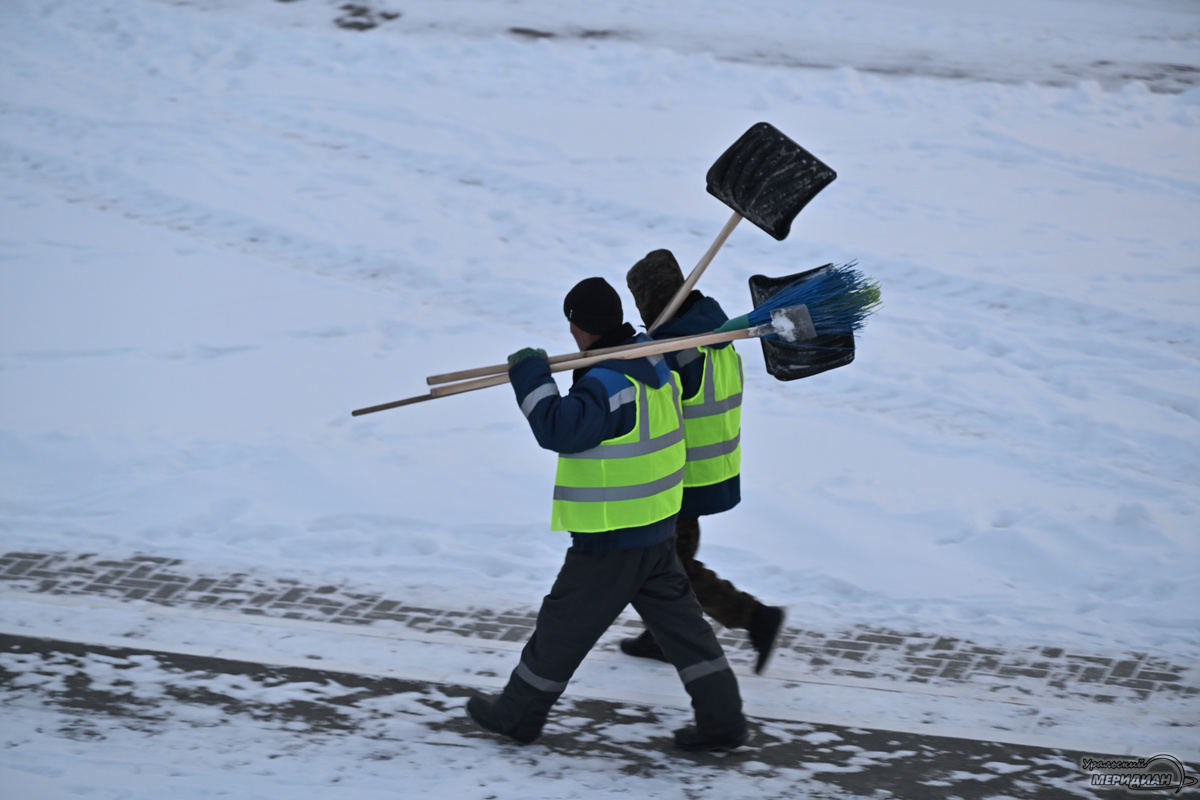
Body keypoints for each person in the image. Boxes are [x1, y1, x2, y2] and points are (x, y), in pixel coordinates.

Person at [466, 276, 749, 752]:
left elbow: (558, 427)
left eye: (572, 324)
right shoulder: (650, 359)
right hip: (657, 528)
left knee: (562, 626)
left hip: (612, 536)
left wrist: (531, 375)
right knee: (686, 632)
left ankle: (516, 716)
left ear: (581, 326)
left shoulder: (609, 382)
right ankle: (723, 722)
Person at [621, 249, 785, 675]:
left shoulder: (678, 349)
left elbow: (651, 404)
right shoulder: (715, 336)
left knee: (669, 567)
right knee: (669, 559)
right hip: (708, 469)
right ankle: (659, 636)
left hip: (679, 476)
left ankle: (755, 618)